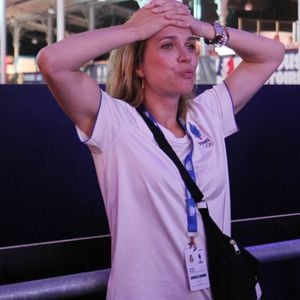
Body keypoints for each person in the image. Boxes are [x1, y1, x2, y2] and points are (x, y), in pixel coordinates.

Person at [37, 0, 284, 299]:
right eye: (168, 46)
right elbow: (53, 62)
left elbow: (271, 55)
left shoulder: (207, 115)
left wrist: (203, 28)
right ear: (138, 66)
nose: (186, 57)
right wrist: (134, 29)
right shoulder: (117, 124)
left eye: (190, 46)